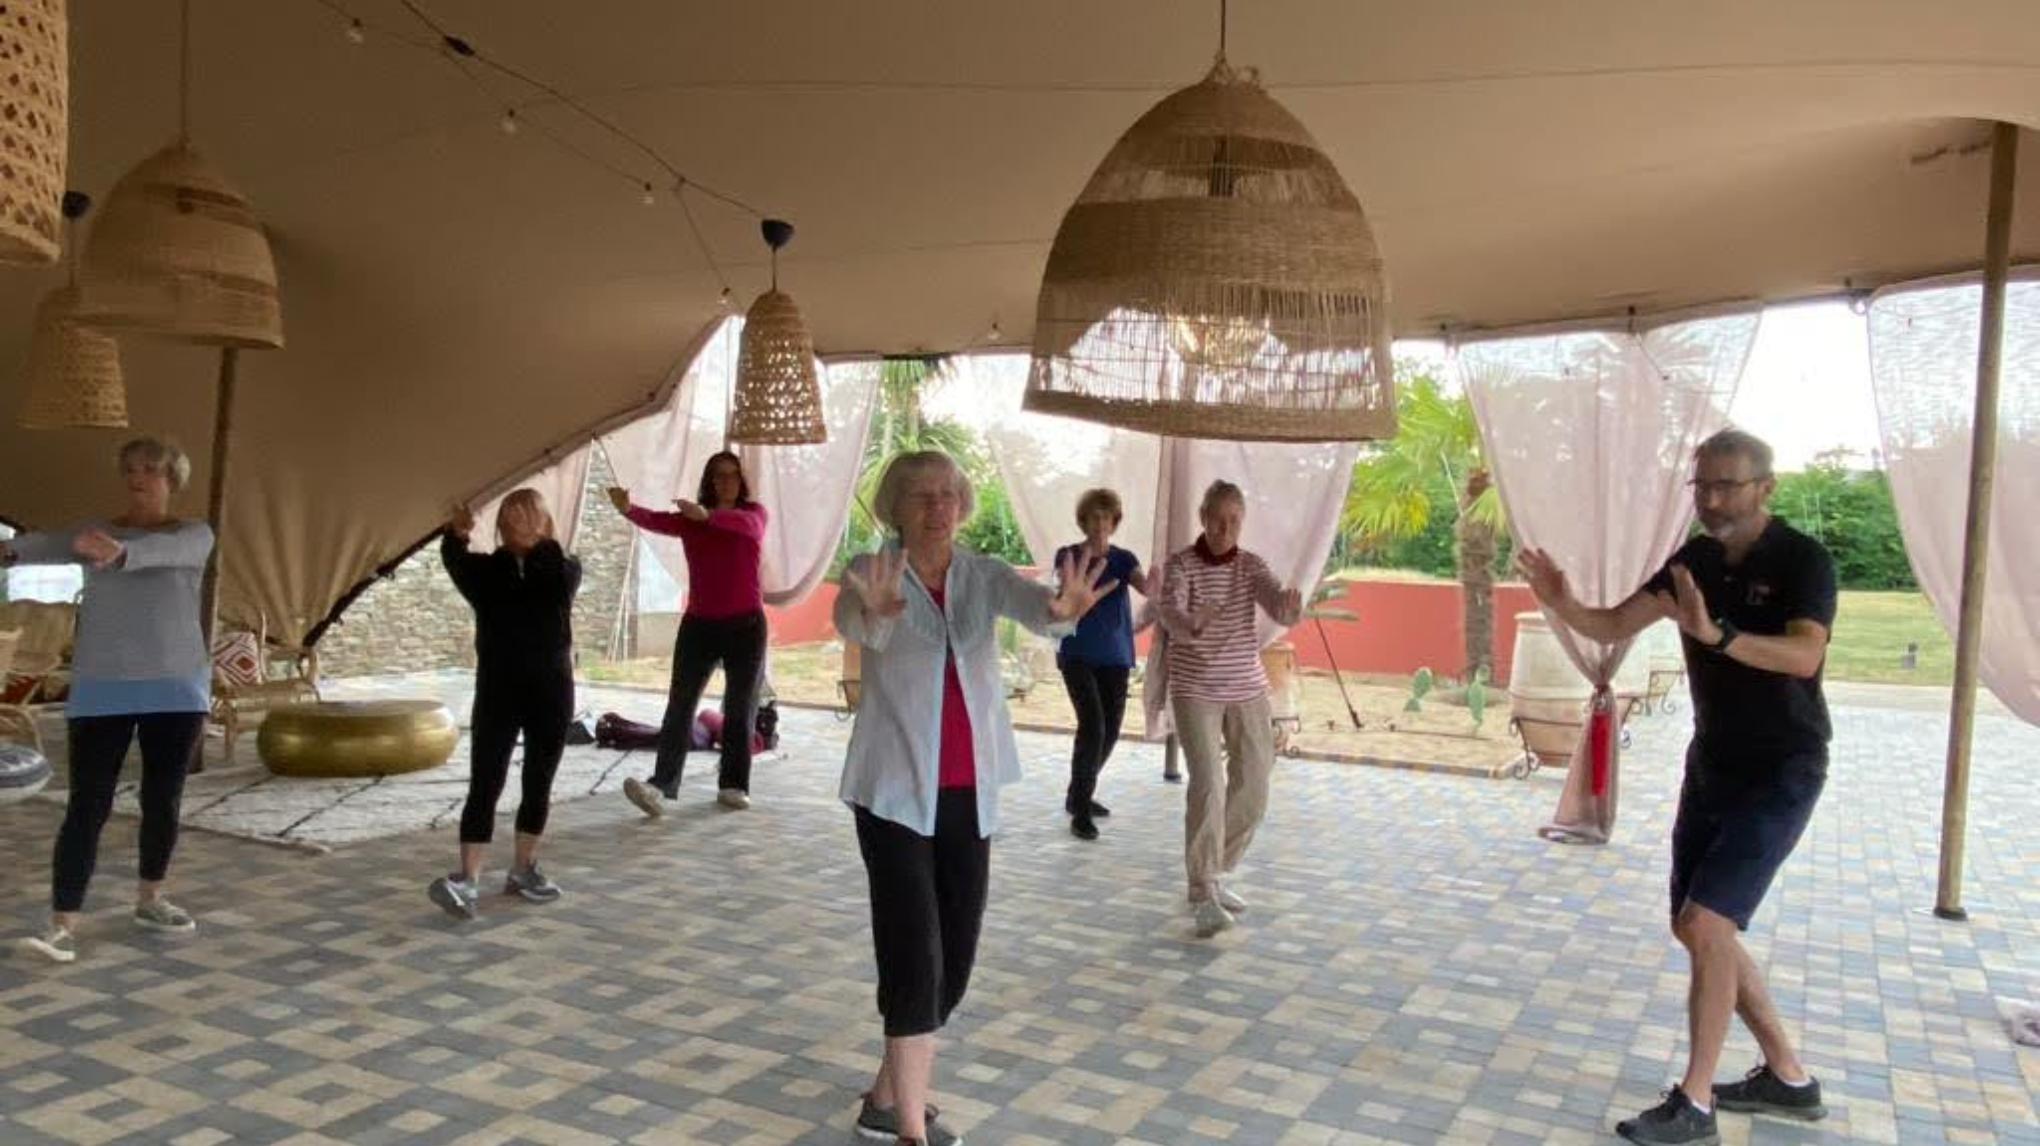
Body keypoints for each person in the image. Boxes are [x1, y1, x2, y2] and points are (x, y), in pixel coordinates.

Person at [1518, 428, 1835, 1145]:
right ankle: (1789, 1077)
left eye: (1729, 485)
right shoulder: (1692, 560)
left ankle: (1695, 1104)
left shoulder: (1801, 559)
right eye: (1703, 486)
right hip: (1713, 764)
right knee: (1699, 927)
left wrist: (1718, 636)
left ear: (1766, 488)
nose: (1714, 500)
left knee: (1706, 925)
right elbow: (1611, 622)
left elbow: (1804, 655)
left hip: (1784, 767)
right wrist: (1564, 602)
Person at [835, 451, 1116, 1146]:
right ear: (896, 507)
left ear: (963, 505)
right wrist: (871, 612)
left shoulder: (983, 575)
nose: (938, 507)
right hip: (894, 793)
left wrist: (1063, 609)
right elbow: (856, 620)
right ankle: (907, 1129)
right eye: (922, 496)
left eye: (948, 495)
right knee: (914, 954)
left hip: (969, 793)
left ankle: (883, 1093)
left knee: (954, 958)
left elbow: (1041, 608)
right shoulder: (872, 572)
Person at [4, 438, 213, 964]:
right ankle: (61, 925)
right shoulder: (92, 533)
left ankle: (151, 898)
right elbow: (30, 547)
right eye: (132, 470)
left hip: (175, 687)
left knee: (161, 800)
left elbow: (160, 554)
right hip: (102, 688)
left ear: (172, 481)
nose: (139, 478)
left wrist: (121, 554)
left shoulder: (193, 534)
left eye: (152, 470)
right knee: (87, 806)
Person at [1154, 480, 1302, 939]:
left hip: (1246, 687)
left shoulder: (1250, 566)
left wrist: (1289, 609)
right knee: (1208, 785)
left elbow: (1276, 601)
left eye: (1234, 520)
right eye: (1217, 518)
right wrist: (1188, 622)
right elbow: (1169, 611)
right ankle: (1202, 891)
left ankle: (1217, 871)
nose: (1224, 527)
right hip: (1196, 688)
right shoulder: (1182, 565)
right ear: (1203, 516)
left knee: (1255, 782)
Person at [428, 490, 582, 920]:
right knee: (486, 781)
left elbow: (549, 577)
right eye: (513, 515)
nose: (522, 521)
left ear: (548, 524)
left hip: (551, 692)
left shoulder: (564, 568)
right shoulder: (486, 573)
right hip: (499, 690)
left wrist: (540, 541)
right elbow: (454, 559)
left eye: (533, 515)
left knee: (538, 780)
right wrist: (456, 533)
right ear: (499, 526)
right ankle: (468, 879)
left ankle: (523, 868)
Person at [609, 450, 770, 815]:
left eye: (731, 475)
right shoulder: (690, 521)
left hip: (746, 625)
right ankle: (662, 786)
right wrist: (626, 507)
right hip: (699, 625)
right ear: (709, 482)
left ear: (741, 482)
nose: (725, 481)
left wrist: (708, 516)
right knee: (680, 705)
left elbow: (751, 529)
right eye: (718, 475)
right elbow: (656, 520)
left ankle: (733, 785)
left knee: (741, 706)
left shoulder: (753, 514)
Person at [1052, 488, 1147, 841]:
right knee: (1092, 726)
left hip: (1116, 656)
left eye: (1106, 517)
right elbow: (1061, 591)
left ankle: (1080, 793)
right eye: (1093, 517)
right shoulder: (1069, 554)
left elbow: (1146, 585)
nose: (1100, 524)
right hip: (1077, 653)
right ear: (1084, 521)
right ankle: (1080, 809)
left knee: (1110, 730)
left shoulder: (1124, 559)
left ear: (1115, 522)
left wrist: (1159, 584)